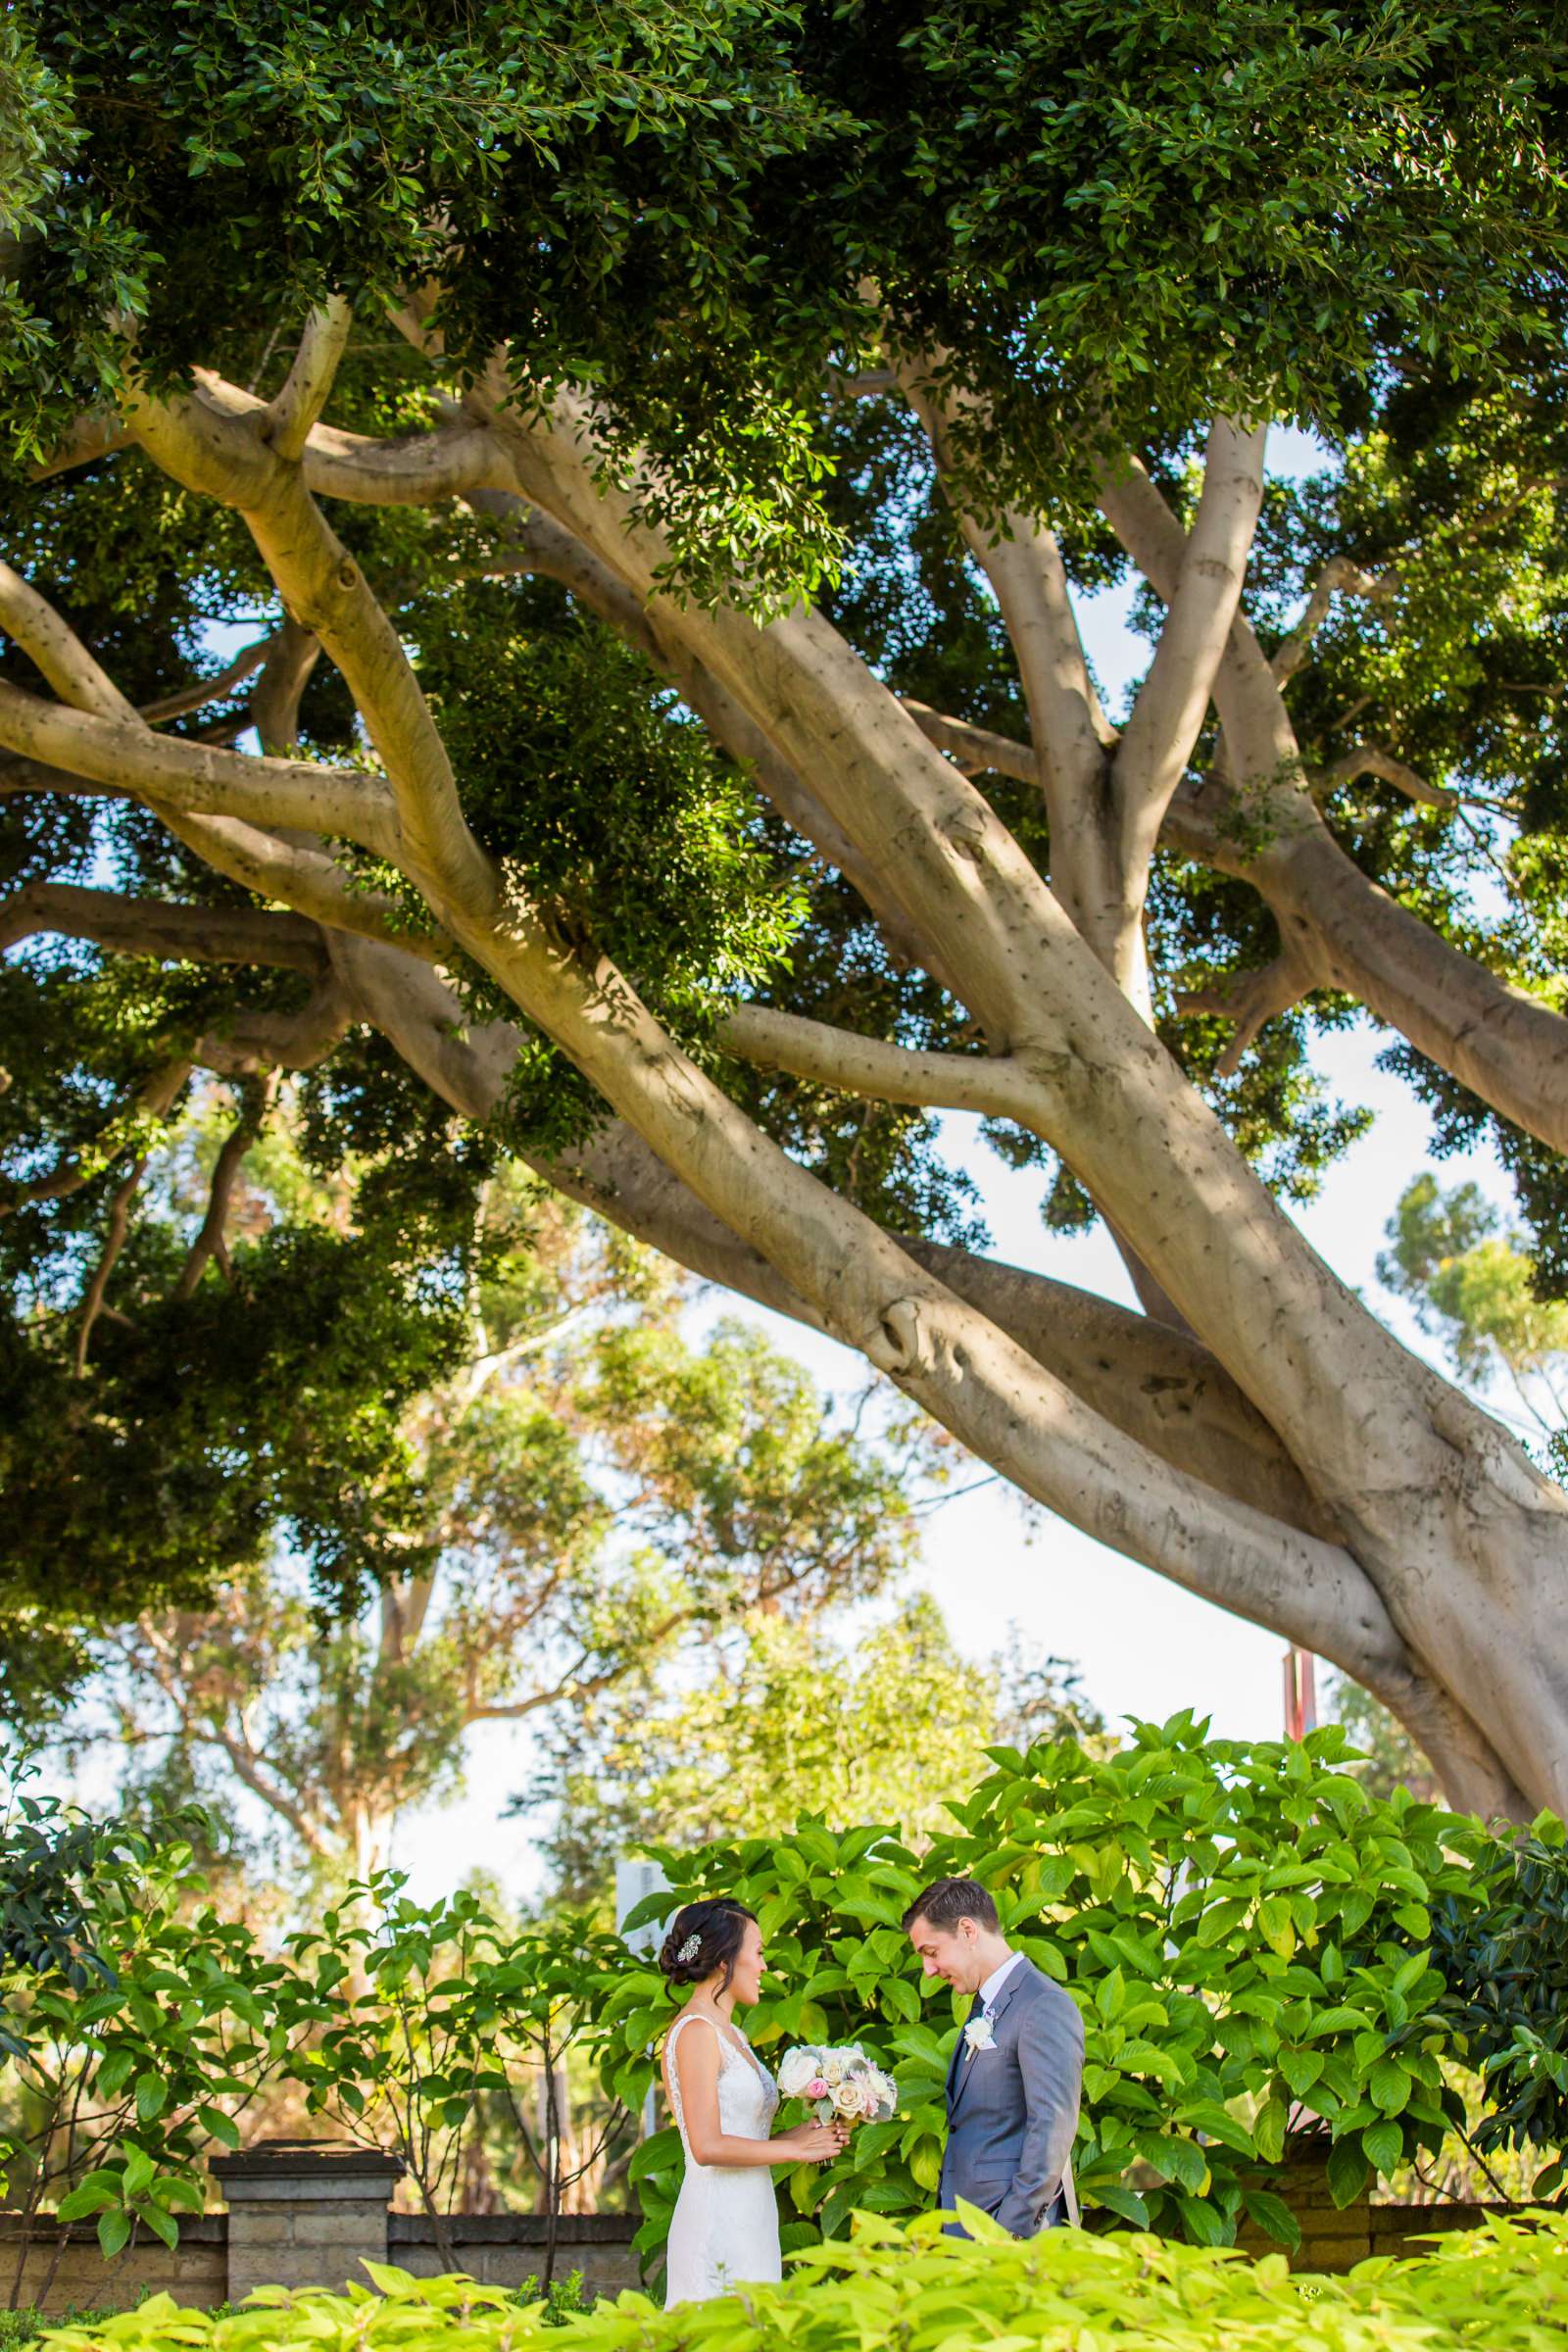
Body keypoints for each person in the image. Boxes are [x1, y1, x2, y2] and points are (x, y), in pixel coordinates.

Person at [658, 1896, 849, 2304]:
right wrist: (794, 2151)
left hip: (751, 2215)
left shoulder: (733, 2034)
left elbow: (745, 2131)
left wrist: (815, 2132)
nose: (764, 1966)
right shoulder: (696, 2033)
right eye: (758, 1953)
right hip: (717, 2217)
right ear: (725, 1961)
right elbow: (706, 2146)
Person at [904, 1876, 1083, 2237]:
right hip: (966, 2229)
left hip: (1007, 2238)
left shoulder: (1042, 2004)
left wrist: (1007, 2234)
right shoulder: (984, 2005)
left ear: (967, 1930)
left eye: (931, 1952)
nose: (929, 1970)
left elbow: (1052, 2128)